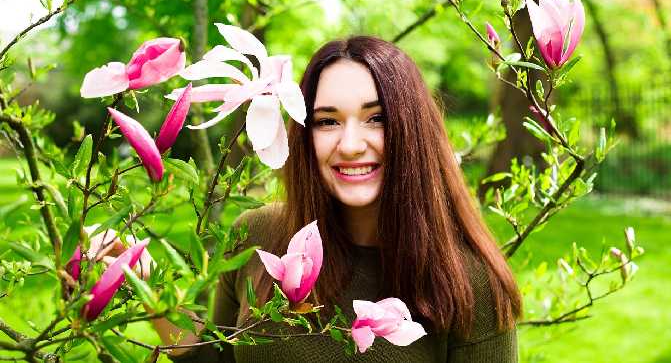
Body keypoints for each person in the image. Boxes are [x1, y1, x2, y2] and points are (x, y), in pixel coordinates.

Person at [156, 36, 522, 362]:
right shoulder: (257, 235)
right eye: (327, 122)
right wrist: (147, 289)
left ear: (411, 131)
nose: (350, 145)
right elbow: (218, 356)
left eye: (376, 118)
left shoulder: (471, 281)